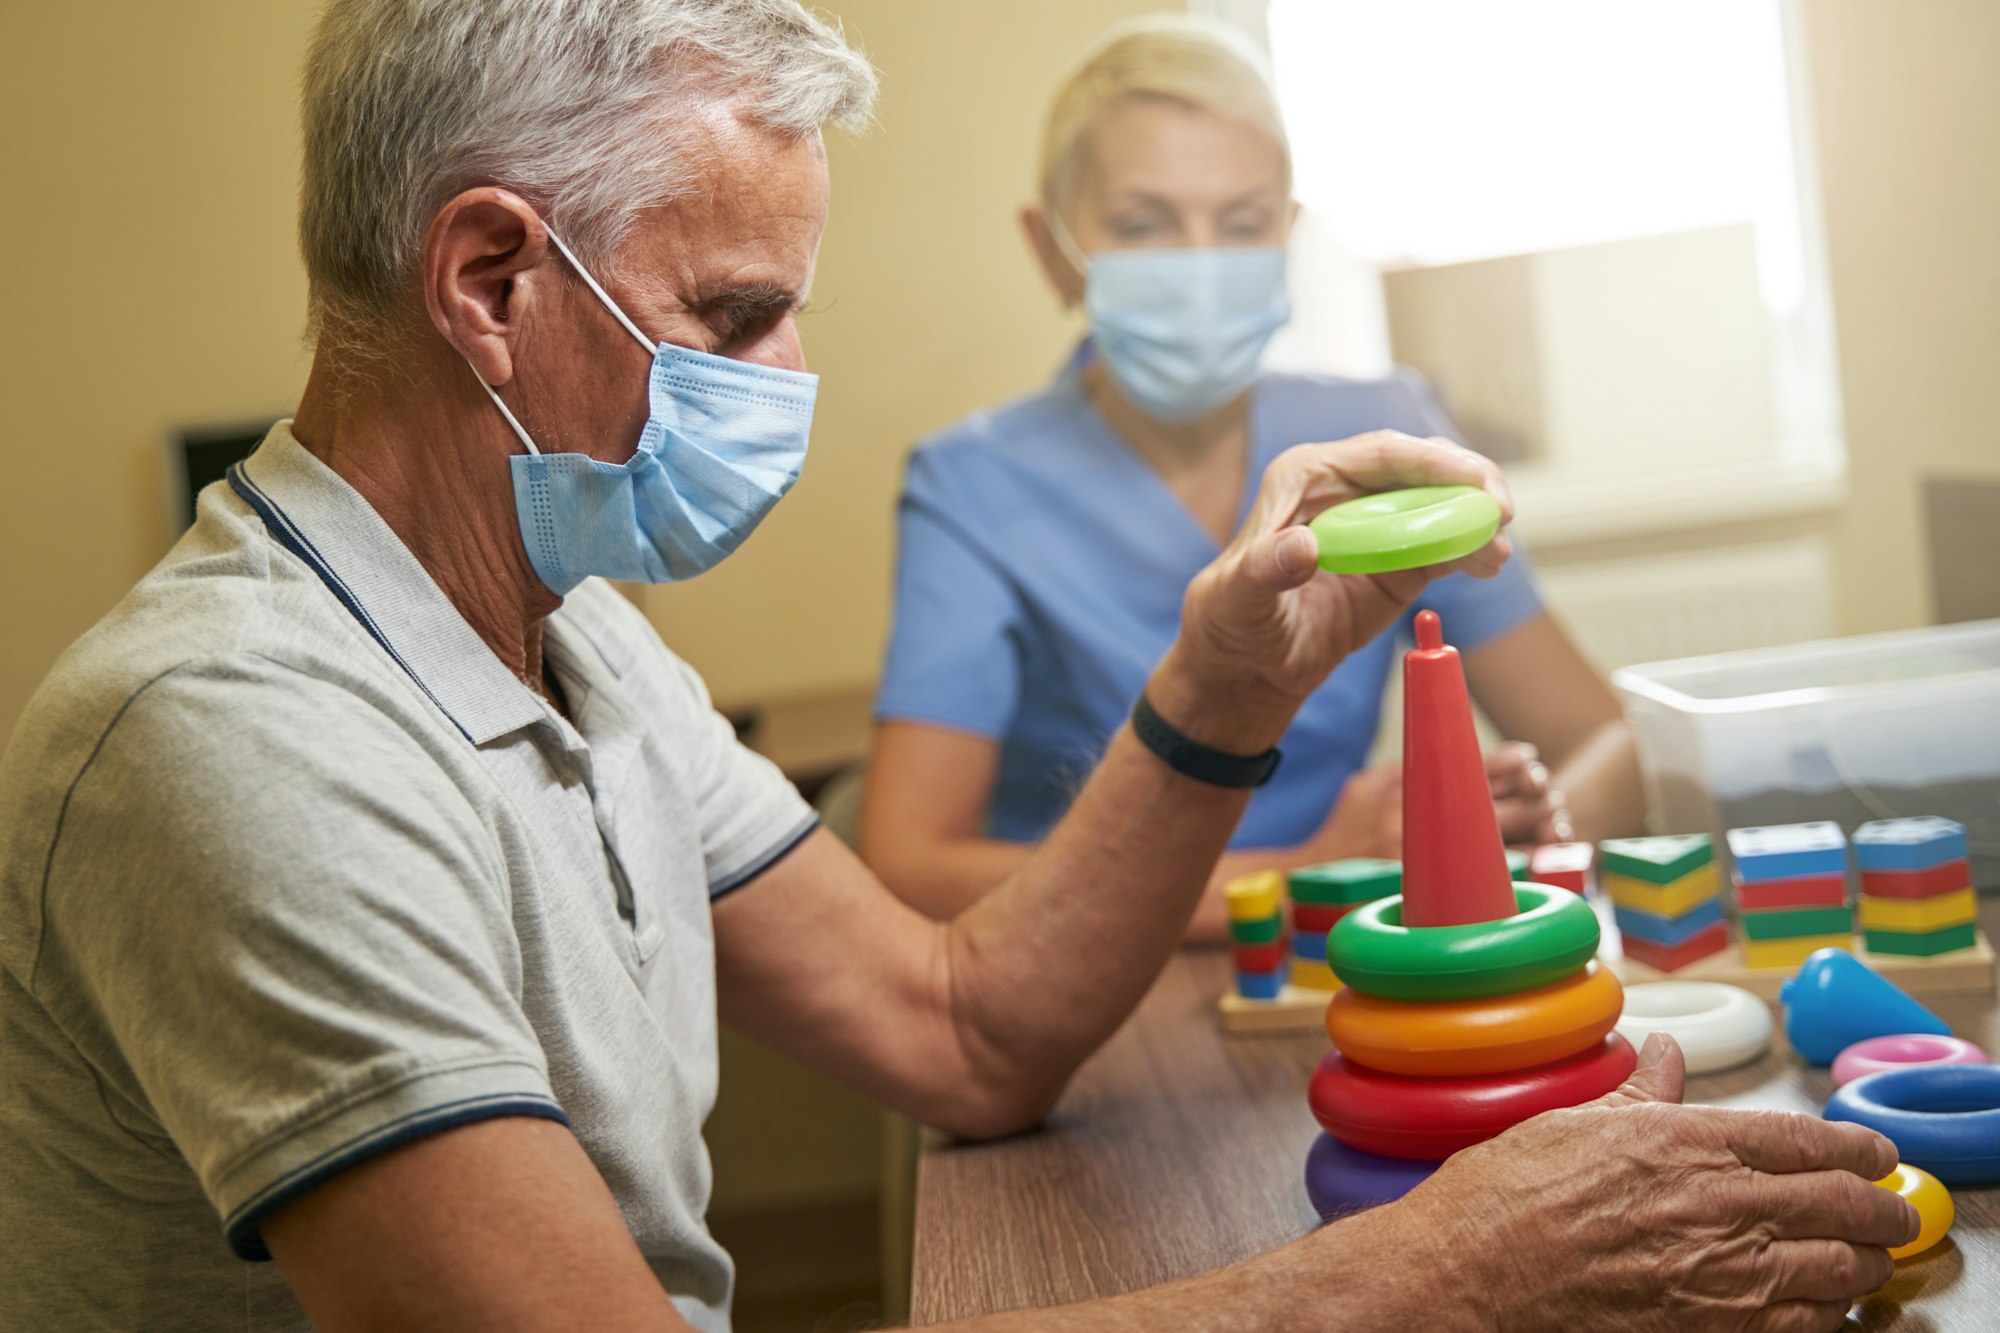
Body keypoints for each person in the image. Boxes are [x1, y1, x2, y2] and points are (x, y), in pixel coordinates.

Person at [0, 2, 1912, 1330]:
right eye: (733, 315)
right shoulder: (238, 740)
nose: (788, 381)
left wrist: (1225, 684)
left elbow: (959, 1025)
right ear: (492, 282)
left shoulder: (581, 647)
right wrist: (1437, 1279)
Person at [862, 18, 1645, 937]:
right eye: (1143, 223)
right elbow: (911, 869)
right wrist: (1302, 871)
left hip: (1344, 962)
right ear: (1052, 250)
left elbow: (1608, 745)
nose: (1201, 265)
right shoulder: (971, 487)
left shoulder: (1383, 441)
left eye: (1241, 225)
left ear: (1288, 239)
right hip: (1094, 988)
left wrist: (1497, 838)